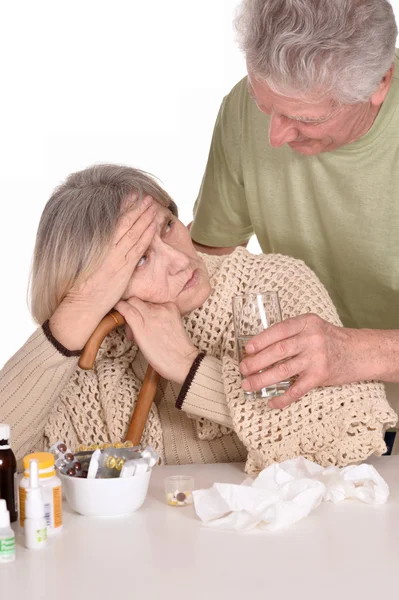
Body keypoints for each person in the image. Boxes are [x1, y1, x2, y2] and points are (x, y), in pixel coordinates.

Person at [0, 164, 396, 473]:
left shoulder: (270, 286)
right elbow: (10, 459)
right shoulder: (94, 348)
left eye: (168, 227)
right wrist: (75, 315)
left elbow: (350, 432)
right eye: (140, 258)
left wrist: (191, 368)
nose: (179, 260)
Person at [190, 0, 399, 429]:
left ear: (381, 82)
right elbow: (210, 267)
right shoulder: (242, 111)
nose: (275, 136)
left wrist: (358, 353)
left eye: (304, 117)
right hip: (314, 412)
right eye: (264, 105)